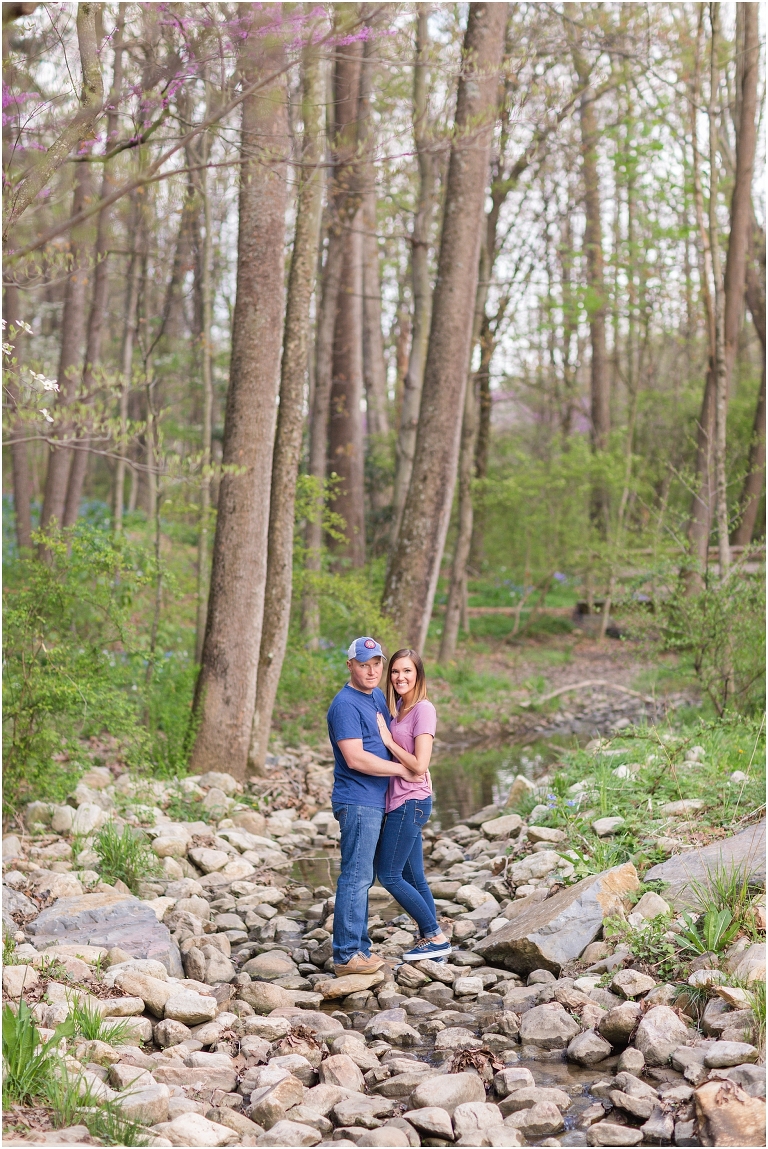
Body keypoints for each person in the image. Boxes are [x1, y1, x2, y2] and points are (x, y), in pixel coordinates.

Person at [327, 637, 418, 975]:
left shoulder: (376, 696)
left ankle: (360, 949)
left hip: (376, 800)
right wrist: (402, 769)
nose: (371, 670)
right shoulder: (345, 705)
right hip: (358, 800)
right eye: (363, 664)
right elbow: (354, 758)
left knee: (364, 876)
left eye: (376, 663)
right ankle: (347, 955)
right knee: (357, 876)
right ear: (350, 665)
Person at [375, 648, 451, 961]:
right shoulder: (400, 710)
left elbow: (420, 764)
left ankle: (434, 934)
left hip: (411, 801)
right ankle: (432, 946)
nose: (400, 677)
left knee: (389, 875)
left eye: (407, 671)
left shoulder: (424, 709)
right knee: (415, 876)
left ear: (418, 674)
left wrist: (389, 741)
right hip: (401, 800)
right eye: (395, 672)